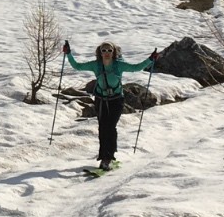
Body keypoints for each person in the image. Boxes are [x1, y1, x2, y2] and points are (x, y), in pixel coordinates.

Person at [63, 40, 156, 171]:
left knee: (110, 127)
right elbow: (77, 66)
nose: (106, 53)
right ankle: (103, 157)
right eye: (104, 50)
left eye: (109, 50)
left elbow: (136, 68)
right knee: (102, 127)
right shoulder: (96, 65)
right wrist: (68, 53)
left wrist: (150, 59)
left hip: (116, 100)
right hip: (101, 99)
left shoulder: (119, 65)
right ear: (100, 53)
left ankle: (109, 157)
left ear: (114, 52)